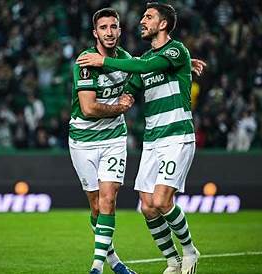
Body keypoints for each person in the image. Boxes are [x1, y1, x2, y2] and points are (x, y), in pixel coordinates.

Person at [77, 2, 206, 274]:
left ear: (163, 24)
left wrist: (104, 60)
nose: (142, 22)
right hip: (152, 141)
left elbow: (144, 64)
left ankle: (190, 251)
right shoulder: (146, 62)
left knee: (161, 201)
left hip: (177, 136)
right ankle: (172, 261)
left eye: (149, 17)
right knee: (147, 206)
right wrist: (120, 97)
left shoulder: (175, 50)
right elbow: (131, 84)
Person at [69, 8, 137, 274]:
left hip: (113, 138)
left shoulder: (125, 59)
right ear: (95, 33)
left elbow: (145, 70)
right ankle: (114, 261)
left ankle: (96, 267)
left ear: (120, 30)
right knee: (96, 205)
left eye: (113, 27)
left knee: (109, 199)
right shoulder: (85, 61)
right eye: (103, 28)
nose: (109, 32)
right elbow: (88, 108)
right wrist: (119, 108)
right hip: (83, 140)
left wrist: (183, 65)